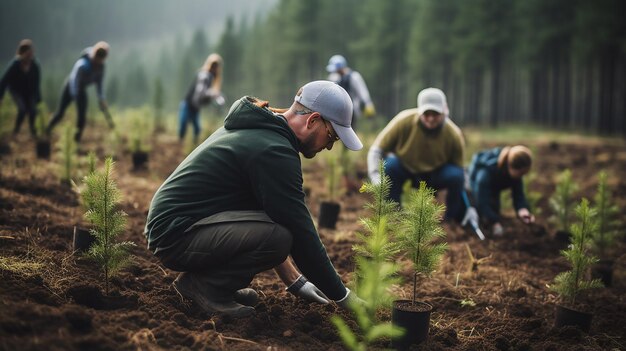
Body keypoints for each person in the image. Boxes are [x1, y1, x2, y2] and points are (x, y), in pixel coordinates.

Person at [145, 80, 362, 317]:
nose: (330, 147)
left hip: (179, 224)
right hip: (175, 233)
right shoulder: (273, 150)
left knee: (276, 231)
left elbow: (271, 214)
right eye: (332, 136)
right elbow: (300, 233)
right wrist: (343, 296)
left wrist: (295, 281)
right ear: (312, 120)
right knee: (279, 238)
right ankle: (205, 288)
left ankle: (211, 283)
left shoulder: (264, 129)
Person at [367, 87, 476, 224]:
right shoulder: (403, 121)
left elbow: (461, 169)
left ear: (444, 112)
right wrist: (375, 176)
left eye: (435, 114)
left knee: (456, 176)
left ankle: (452, 219)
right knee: (389, 166)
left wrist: (471, 206)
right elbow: (376, 150)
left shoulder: (453, 133)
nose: (430, 119)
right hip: (407, 170)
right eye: (426, 114)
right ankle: (393, 215)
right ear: (419, 111)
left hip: (436, 174)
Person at [46, 41, 111, 142]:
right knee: (60, 113)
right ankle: (47, 129)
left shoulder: (101, 67)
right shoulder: (82, 65)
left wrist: (101, 98)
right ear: (96, 56)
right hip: (70, 87)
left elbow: (100, 84)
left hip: (82, 89)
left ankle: (76, 140)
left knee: (82, 117)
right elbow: (74, 80)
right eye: (99, 60)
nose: (100, 62)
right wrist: (75, 95)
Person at [468, 145, 535, 236]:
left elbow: (518, 195)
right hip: (476, 182)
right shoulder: (486, 174)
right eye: (521, 173)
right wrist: (495, 221)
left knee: (495, 208)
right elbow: (482, 201)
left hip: (495, 186)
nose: (522, 176)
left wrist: (523, 211)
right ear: (511, 166)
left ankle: (491, 219)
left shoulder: (515, 174)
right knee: (482, 210)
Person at [178, 53, 225, 144]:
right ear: (210, 64)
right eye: (213, 65)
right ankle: (180, 143)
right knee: (183, 124)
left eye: (216, 66)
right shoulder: (204, 75)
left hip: (195, 107)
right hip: (187, 104)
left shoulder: (212, 78)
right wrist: (212, 94)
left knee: (197, 129)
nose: (214, 68)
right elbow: (201, 92)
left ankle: (193, 147)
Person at [0, 39, 41, 137]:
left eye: (31, 53)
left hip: (30, 92)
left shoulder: (35, 65)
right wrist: (0, 96)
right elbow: (4, 81)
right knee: (22, 110)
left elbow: (37, 85)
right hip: (16, 91)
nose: (30, 55)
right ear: (22, 53)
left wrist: (39, 100)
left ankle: (33, 132)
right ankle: (16, 131)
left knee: (33, 110)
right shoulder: (15, 65)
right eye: (28, 53)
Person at [326, 54, 375, 131]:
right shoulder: (334, 78)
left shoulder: (354, 77)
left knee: (350, 131)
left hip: (352, 110)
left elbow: (362, 92)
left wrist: (368, 104)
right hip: (338, 110)